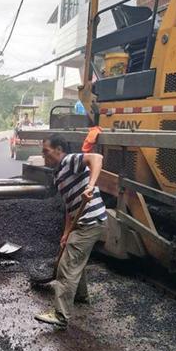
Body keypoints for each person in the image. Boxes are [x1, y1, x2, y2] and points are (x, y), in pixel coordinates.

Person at [35, 134, 107, 330]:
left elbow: (96, 158)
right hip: (82, 221)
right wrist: (66, 233)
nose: (44, 157)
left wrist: (91, 186)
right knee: (75, 260)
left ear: (59, 150)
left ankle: (60, 315)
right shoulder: (58, 176)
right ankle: (81, 297)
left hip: (90, 220)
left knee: (66, 267)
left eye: (46, 152)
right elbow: (70, 208)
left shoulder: (69, 161)